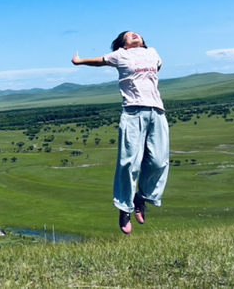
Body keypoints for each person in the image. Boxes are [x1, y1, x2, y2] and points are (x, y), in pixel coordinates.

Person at [72, 31, 169, 234]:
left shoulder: (152, 52)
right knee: (129, 163)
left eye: (136, 33)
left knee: (159, 161)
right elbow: (99, 61)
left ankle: (142, 198)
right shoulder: (121, 55)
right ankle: (125, 207)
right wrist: (79, 61)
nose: (134, 34)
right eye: (128, 35)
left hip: (157, 111)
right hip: (133, 111)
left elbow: (157, 68)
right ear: (123, 44)